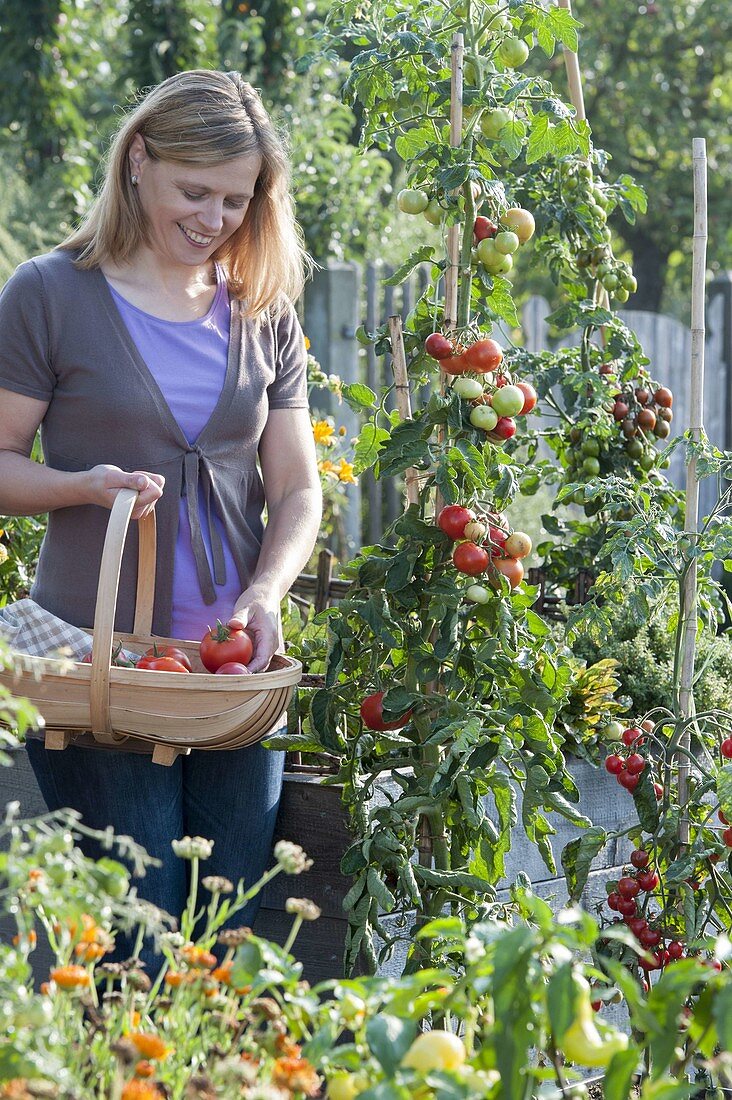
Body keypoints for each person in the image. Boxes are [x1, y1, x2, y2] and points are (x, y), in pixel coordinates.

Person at [0, 69, 322, 964]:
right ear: (137, 159)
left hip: (231, 677)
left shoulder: (262, 312)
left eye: (235, 199)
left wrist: (265, 595)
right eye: (195, 191)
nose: (215, 219)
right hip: (100, 664)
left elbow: (298, 488)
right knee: (131, 946)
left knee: (224, 943)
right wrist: (80, 486)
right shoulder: (50, 295)